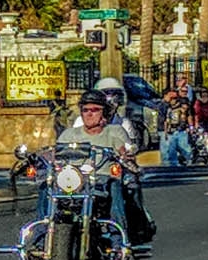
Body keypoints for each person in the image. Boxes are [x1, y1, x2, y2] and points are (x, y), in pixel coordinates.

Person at [51, 89, 150, 239]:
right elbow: (55, 155)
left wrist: (126, 154)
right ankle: (41, 239)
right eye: (85, 110)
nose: (89, 114)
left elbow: (126, 150)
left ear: (104, 112)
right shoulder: (69, 134)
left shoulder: (115, 131)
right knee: (47, 187)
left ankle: (119, 240)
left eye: (95, 110)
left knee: (115, 185)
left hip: (102, 178)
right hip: (73, 181)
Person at [159, 87, 193, 168]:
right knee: (168, 150)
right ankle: (168, 165)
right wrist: (166, 132)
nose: (174, 99)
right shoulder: (163, 105)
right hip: (167, 130)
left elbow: (188, 115)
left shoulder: (181, 104)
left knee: (183, 147)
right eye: (172, 97)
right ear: (166, 95)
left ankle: (183, 162)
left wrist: (190, 127)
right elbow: (165, 121)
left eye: (175, 98)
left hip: (179, 129)